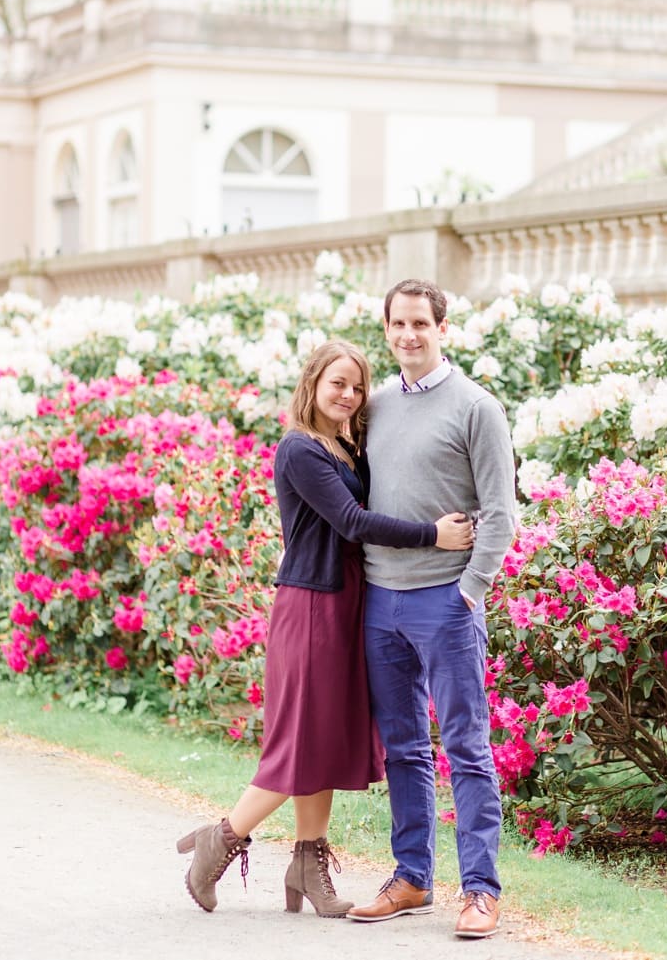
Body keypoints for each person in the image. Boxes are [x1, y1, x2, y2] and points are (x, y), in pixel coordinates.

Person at [176, 339, 476, 916]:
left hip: (346, 604)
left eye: (358, 386)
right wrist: (431, 536)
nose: (349, 394)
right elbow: (351, 521)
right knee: (298, 743)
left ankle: (307, 863)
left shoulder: (345, 447)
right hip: (311, 609)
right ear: (312, 383)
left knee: (321, 738)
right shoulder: (299, 450)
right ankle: (222, 837)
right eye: (337, 382)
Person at [343, 278, 516, 940]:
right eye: (398, 325)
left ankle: (479, 891)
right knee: (406, 750)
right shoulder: (377, 406)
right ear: (386, 331)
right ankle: (412, 875)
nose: (409, 335)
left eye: (421, 323)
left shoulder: (477, 407)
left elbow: (500, 516)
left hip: (446, 601)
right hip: (381, 600)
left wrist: (467, 592)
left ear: (442, 327)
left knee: (467, 748)